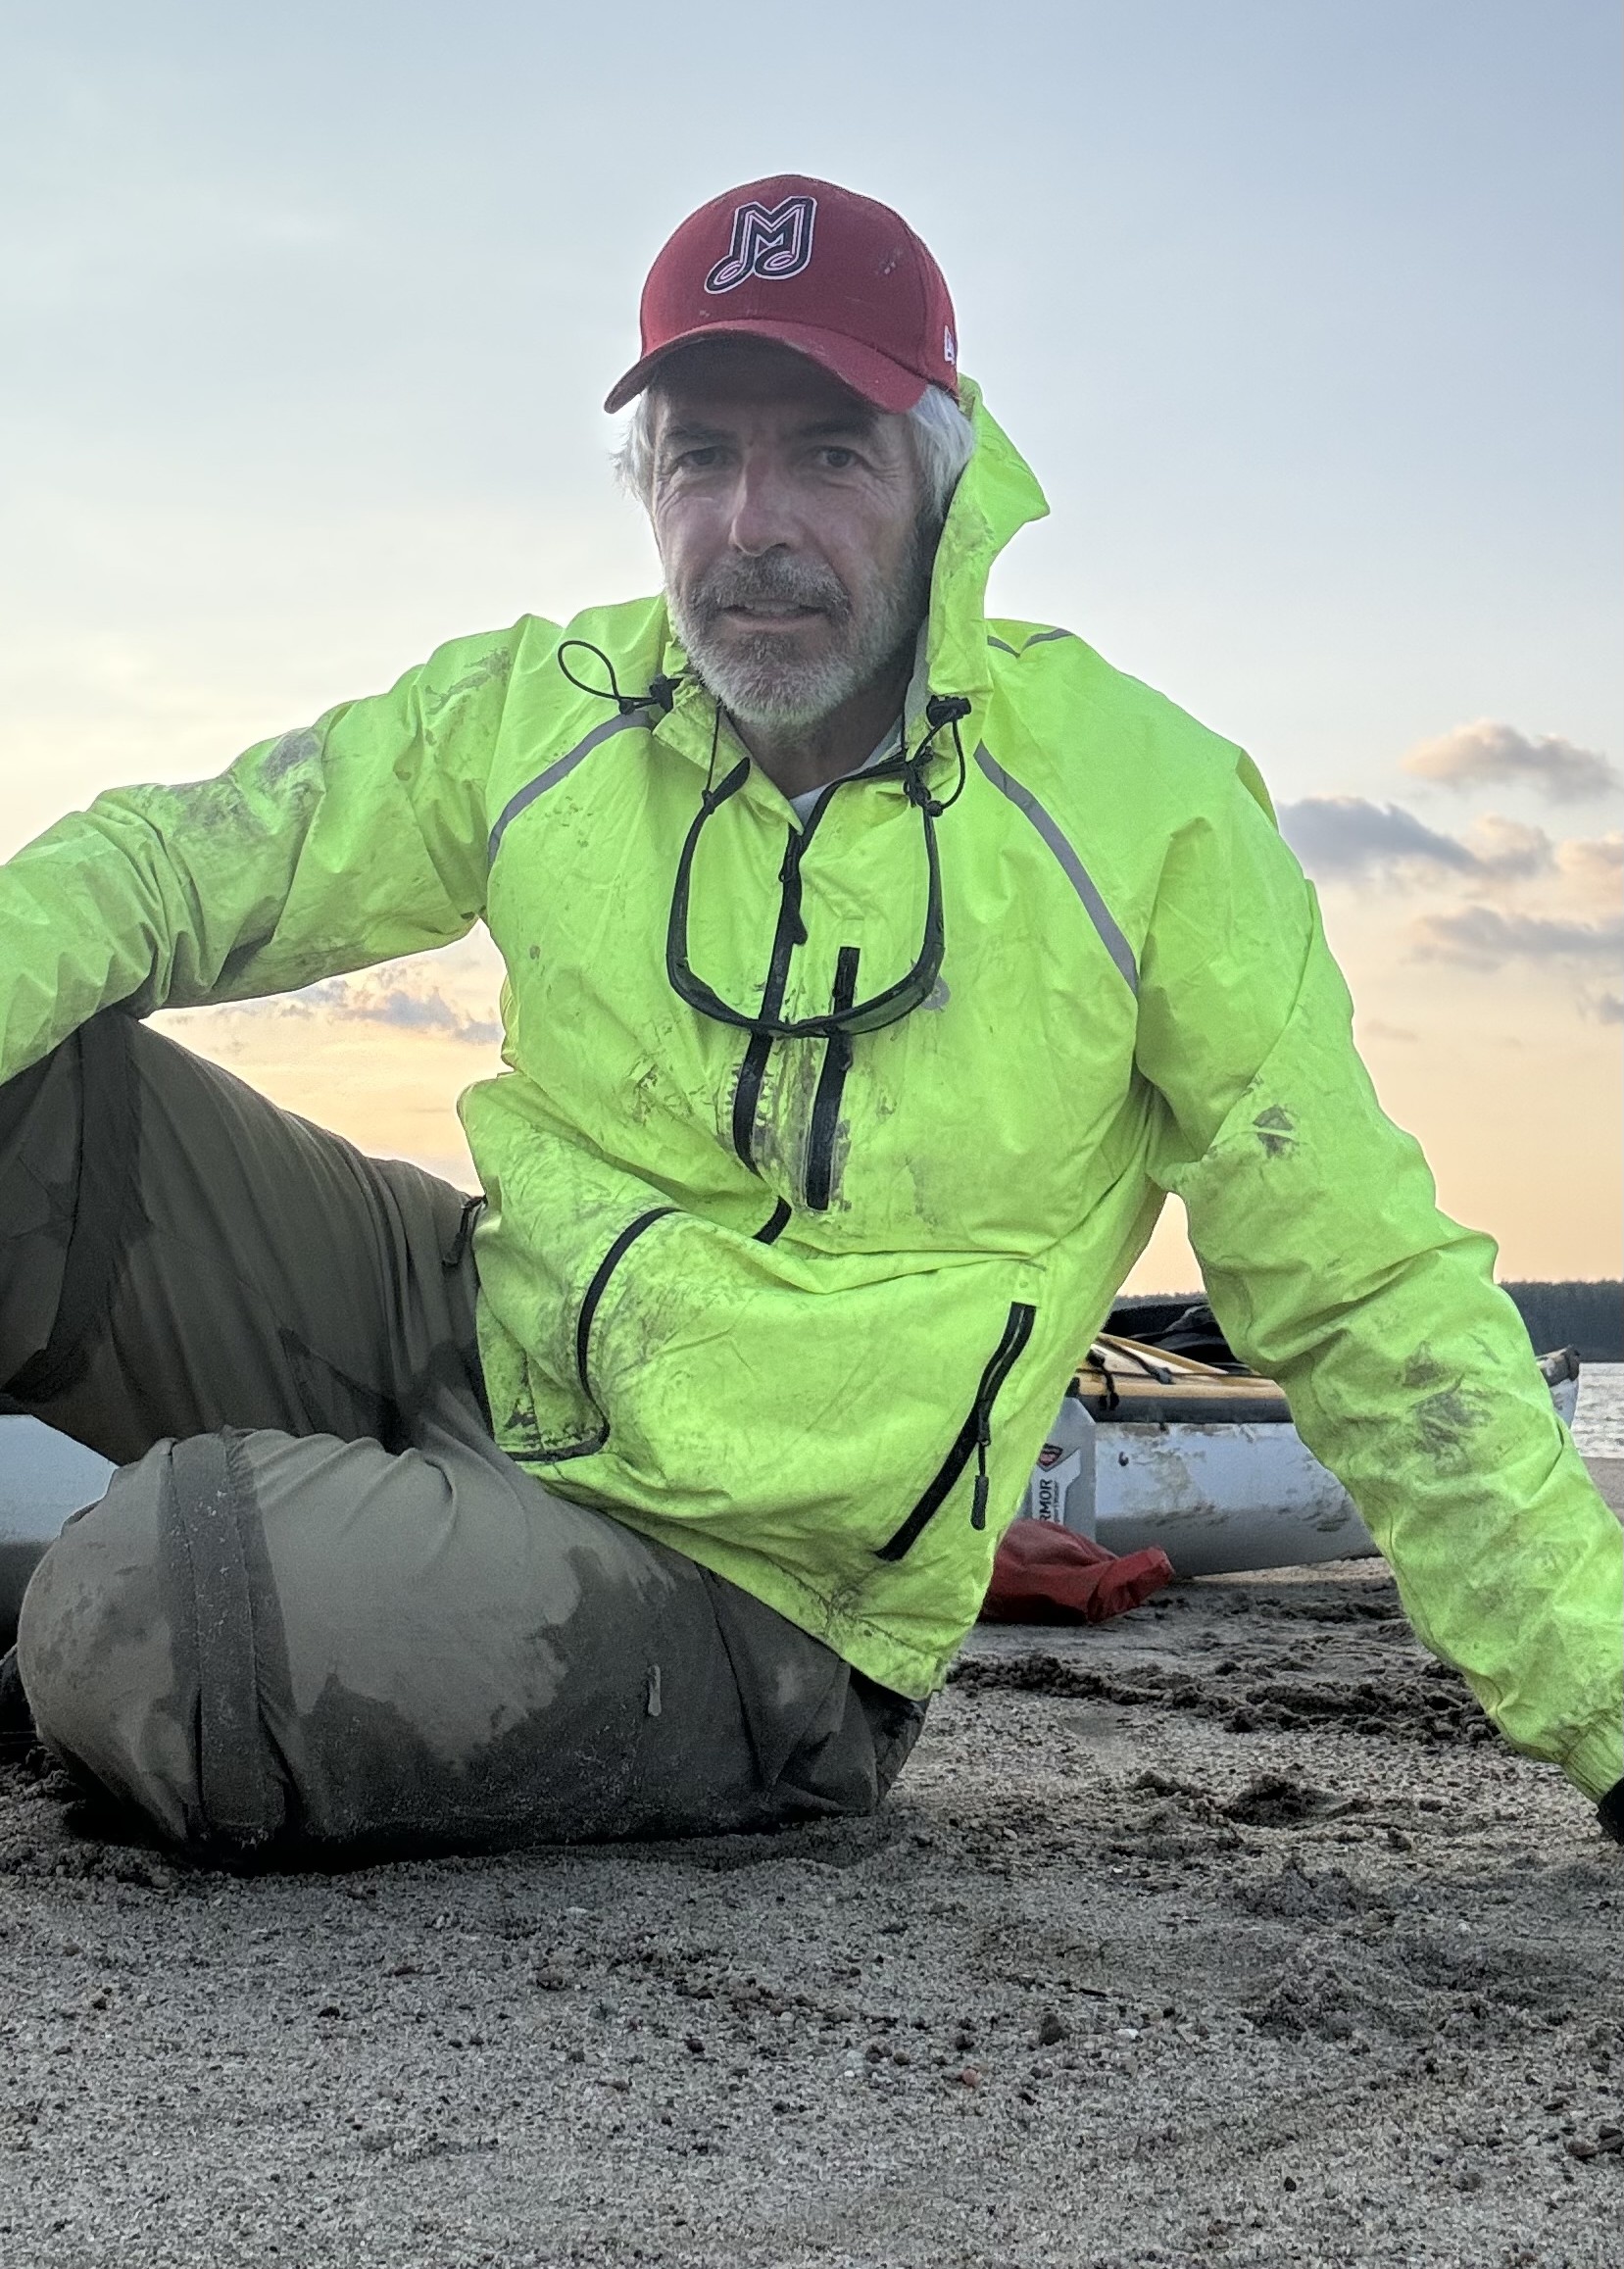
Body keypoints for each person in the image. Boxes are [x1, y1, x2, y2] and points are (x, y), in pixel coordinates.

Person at [0, 175, 1618, 1859]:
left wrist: (1612, 1706)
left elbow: (1363, 1290)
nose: (751, 523)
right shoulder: (540, 712)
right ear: (646, 486)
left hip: (752, 1586)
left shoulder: (1148, 813)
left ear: (938, 482)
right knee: (25, 1097)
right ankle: (318, 1549)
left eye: (828, 455)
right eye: (701, 455)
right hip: (477, 1331)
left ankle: (291, 1597)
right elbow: (163, 863)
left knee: (150, 1615)